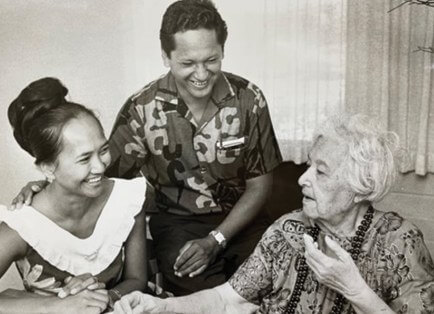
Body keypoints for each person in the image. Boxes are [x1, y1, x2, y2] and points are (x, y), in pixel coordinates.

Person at [12, 0, 282, 296]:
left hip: (246, 218)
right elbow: (97, 172)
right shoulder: (141, 109)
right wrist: (46, 182)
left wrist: (216, 239)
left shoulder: (249, 99)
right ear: (166, 56)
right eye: (188, 63)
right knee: (200, 297)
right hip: (179, 224)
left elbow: (260, 186)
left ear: (222, 51)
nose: (202, 74)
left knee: (270, 285)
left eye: (212, 60)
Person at [111, 114, 434, 314]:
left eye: (320, 172)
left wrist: (354, 289)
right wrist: (163, 307)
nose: (302, 179)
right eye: (309, 165)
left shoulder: (398, 243)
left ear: (361, 187)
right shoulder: (287, 230)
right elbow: (228, 301)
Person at [0, 78, 147, 314]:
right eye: (84, 159)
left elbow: (137, 279)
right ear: (48, 168)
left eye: (104, 150)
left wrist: (103, 298)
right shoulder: (22, 226)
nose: (100, 167)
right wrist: (60, 305)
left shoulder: (126, 200)